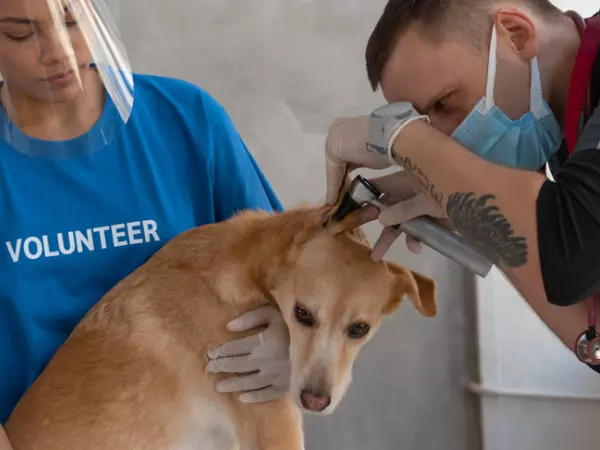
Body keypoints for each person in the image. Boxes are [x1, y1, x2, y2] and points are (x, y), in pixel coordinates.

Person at [209, 0, 600, 404]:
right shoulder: (571, 133)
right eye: (425, 123)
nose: (447, 140)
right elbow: (594, 341)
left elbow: (568, 253)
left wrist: (398, 136)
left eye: (445, 104)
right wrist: (472, 217)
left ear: (516, 33)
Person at [0, 0, 282, 440]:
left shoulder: (187, 121)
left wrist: (292, 336)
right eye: (21, 33)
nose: (58, 50)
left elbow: (288, 263)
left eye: (72, 20)